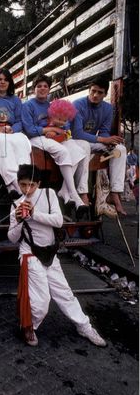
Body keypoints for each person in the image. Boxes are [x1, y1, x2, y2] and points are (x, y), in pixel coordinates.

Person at [8, 164, 107, 348]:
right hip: (30, 252)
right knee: (41, 300)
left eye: (31, 185)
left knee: (65, 293)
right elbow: (12, 238)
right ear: (18, 184)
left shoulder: (48, 194)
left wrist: (34, 214)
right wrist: (20, 220)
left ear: (38, 183)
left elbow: (58, 220)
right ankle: (29, 326)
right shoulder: (16, 204)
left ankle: (84, 326)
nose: (27, 189)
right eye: (23, 185)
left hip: (50, 252)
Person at [21, 74, 89, 216]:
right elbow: (29, 129)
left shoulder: (52, 105)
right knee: (63, 151)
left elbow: (64, 124)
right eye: (39, 86)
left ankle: (64, 190)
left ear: (49, 89)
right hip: (35, 138)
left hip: (53, 138)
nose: (42, 88)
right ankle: (74, 196)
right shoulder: (27, 106)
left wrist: (60, 129)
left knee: (77, 151)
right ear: (34, 89)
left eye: (45, 86)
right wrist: (49, 129)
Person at [71, 77, 127, 215]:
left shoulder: (108, 108)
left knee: (120, 150)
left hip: (94, 143)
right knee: (84, 145)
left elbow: (104, 131)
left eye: (100, 92)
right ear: (89, 91)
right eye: (93, 91)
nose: (95, 95)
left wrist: (110, 142)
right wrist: (103, 139)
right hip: (76, 142)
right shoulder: (78, 104)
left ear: (105, 94)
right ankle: (83, 192)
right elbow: (77, 133)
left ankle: (114, 193)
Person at [0, 68, 32, 193]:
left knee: (22, 140)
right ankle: (13, 181)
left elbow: (20, 121)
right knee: (2, 141)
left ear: (10, 82)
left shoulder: (15, 100)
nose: (2, 82)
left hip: (10, 131)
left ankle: (25, 177)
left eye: (5, 79)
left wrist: (12, 129)